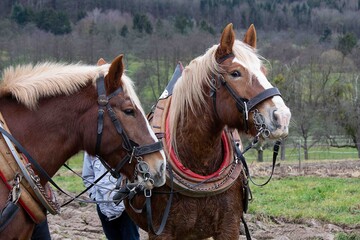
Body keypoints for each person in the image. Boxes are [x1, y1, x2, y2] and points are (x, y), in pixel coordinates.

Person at [82, 152, 140, 240]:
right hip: (103, 207)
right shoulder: (91, 150)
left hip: (126, 207)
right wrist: (96, 197)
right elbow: (88, 176)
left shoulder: (124, 144)